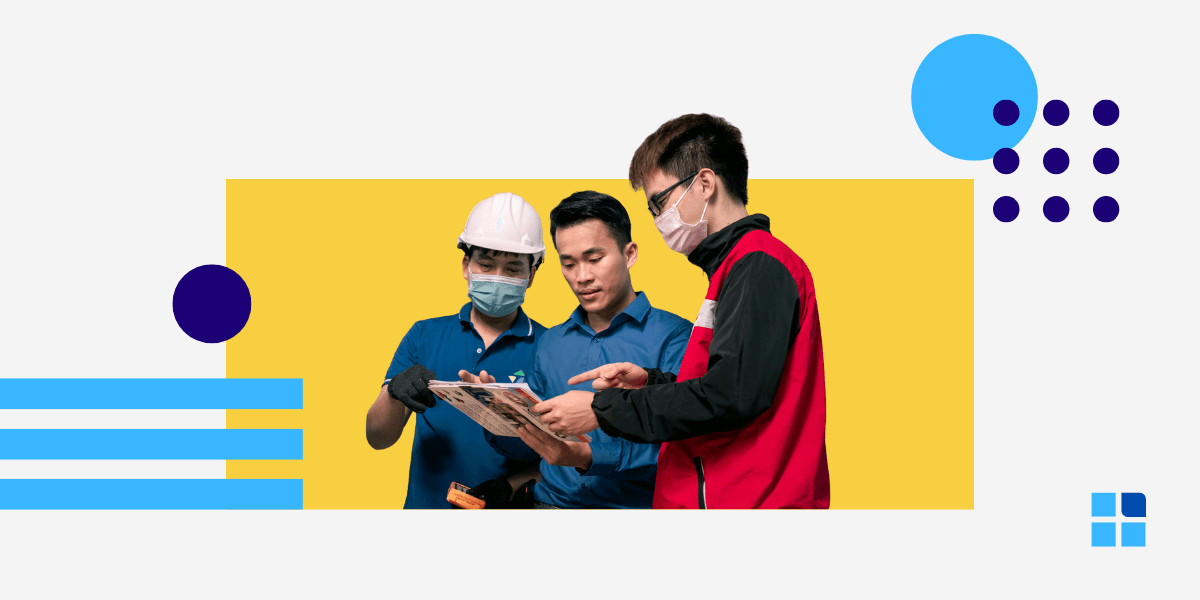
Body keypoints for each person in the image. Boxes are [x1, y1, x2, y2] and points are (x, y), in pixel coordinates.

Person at [531, 114, 831, 509]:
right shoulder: (735, 266)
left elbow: (731, 397)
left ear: (705, 184)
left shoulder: (757, 264)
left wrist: (600, 409)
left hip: (753, 500)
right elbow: (734, 381)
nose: (658, 221)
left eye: (659, 202)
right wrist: (652, 380)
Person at [464, 191, 692, 509]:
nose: (581, 277)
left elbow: (685, 451)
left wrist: (586, 456)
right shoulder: (551, 342)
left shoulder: (676, 338)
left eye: (594, 259)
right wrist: (496, 416)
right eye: (568, 264)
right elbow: (531, 450)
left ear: (629, 254)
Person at [365, 192, 547, 509]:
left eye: (513, 269)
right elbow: (378, 438)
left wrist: (512, 485)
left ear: (531, 275)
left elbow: (568, 456)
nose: (497, 278)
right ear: (466, 265)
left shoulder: (552, 347)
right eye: (486, 265)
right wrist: (395, 392)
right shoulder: (424, 335)